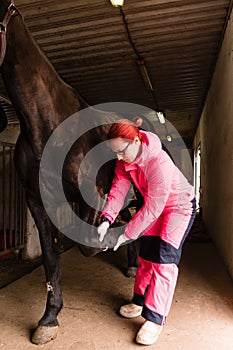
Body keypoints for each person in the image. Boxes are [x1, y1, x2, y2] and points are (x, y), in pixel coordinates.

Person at [97, 119, 196, 346]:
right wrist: (107, 218)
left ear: (135, 140)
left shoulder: (157, 162)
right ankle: (140, 301)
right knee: (146, 257)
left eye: (121, 151)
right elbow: (119, 188)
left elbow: (154, 207)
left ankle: (155, 319)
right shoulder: (124, 159)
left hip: (178, 207)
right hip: (155, 208)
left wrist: (126, 234)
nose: (119, 158)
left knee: (164, 262)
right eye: (115, 154)